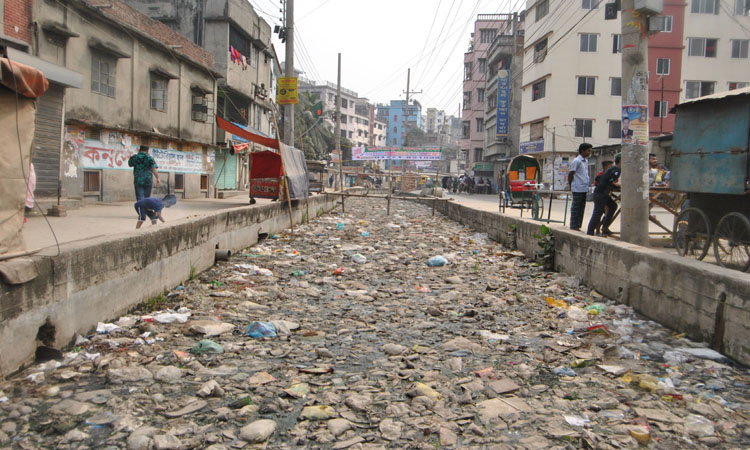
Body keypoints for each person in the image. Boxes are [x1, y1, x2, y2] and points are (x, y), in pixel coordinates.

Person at [587, 153, 621, 237]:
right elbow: (610, 180)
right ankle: (590, 232)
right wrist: (616, 185)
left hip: (603, 192)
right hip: (601, 193)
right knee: (598, 212)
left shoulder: (614, 168)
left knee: (613, 206)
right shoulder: (617, 169)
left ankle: (605, 227)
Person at [567, 143, 592, 231]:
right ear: (582, 151)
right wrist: (570, 185)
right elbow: (571, 174)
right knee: (576, 207)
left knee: (581, 207)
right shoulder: (577, 161)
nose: (589, 152)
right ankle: (573, 225)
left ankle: (578, 225)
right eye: (588, 151)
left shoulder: (585, 161)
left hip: (584, 188)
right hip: (577, 187)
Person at [592, 160, 613, 235]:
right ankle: (597, 229)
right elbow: (597, 184)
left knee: (610, 210)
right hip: (600, 195)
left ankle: (603, 226)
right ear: (605, 167)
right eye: (610, 167)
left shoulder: (611, 174)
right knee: (600, 212)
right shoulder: (601, 174)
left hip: (607, 195)